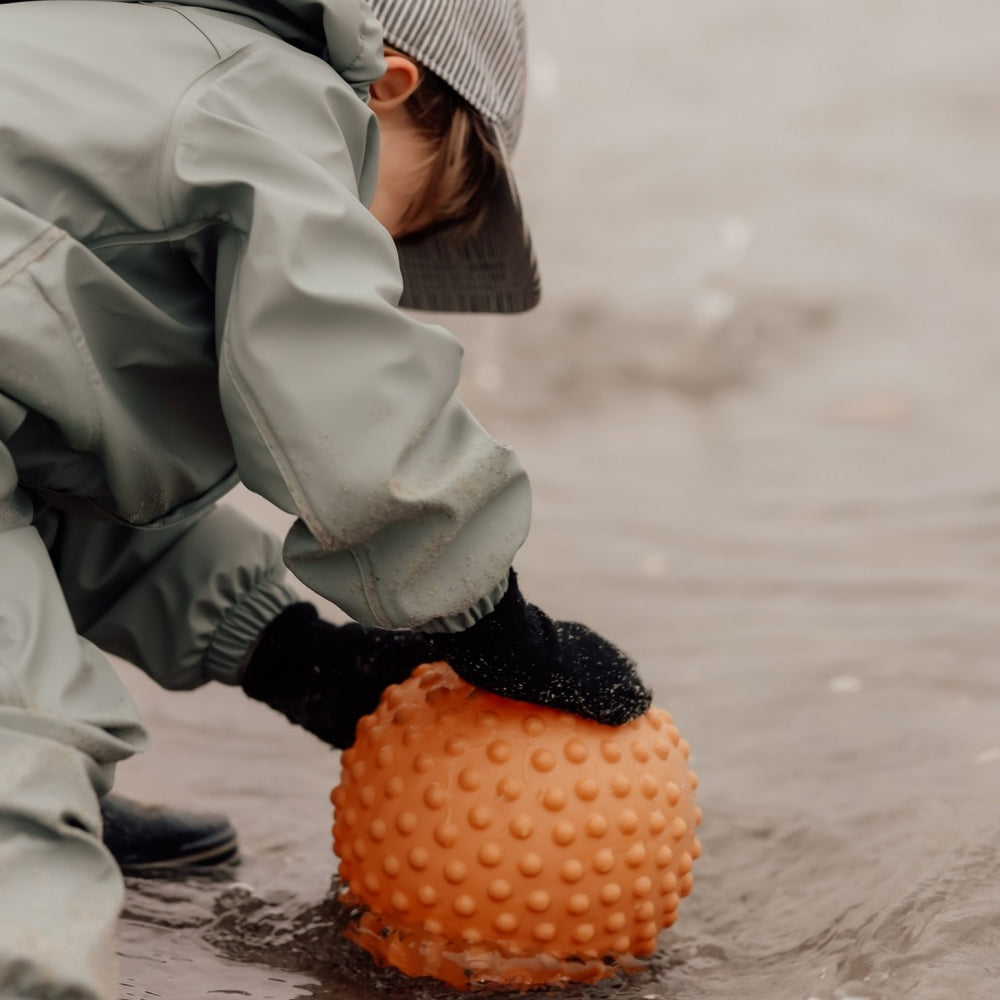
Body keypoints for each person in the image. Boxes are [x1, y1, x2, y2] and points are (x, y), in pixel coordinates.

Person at [0, 0, 652, 995]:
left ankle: (59, 818)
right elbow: (339, 379)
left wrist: (286, 648)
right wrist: (488, 613)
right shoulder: (281, 102)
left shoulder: (114, 74)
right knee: (20, 742)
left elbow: (56, 484)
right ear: (387, 84)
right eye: (388, 228)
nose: (375, 259)